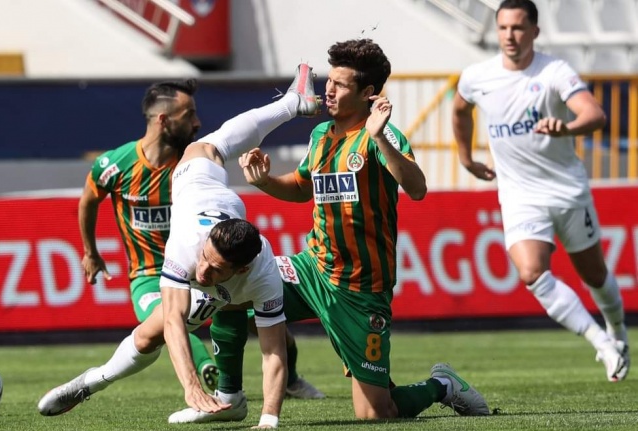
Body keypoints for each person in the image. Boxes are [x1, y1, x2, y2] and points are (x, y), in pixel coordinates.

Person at [173, 39, 489, 422]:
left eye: (340, 85)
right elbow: (301, 187)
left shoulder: (382, 136)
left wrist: (378, 136)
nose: (329, 90)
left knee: (375, 412)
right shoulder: (321, 134)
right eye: (330, 81)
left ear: (368, 93)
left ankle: (443, 385)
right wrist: (264, 180)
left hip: (360, 288)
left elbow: (417, 188)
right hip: (313, 268)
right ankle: (229, 398)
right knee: (228, 294)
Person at [38, 63, 322, 428]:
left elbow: (273, 351)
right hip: (198, 194)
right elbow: (174, 319)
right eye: (205, 261)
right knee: (148, 335)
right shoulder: (188, 246)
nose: (202, 272)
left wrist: (270, 420)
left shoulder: (263, 271)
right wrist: (190, 387)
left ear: (242, 268)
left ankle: (231, 399)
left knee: (247, 316)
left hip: (233, 266)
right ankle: (95, 380)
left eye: (214, 268)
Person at [451, 0, 629, 382]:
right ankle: (601, 343)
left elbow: (594, 114)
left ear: (535, 31)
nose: (509, 36)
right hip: (519, 195)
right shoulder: (478, 76)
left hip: (567, 190)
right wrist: (465, 159)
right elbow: (460, 110)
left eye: (518, 28)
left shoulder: (554, 71)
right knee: (532, 272)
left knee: (595, 275)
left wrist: (567, 128)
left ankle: (618, 331)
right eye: (503, 28)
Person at [78, 79, 218, 391]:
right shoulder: (114, 165)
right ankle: (206, 367)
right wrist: (91, 252)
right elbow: (88, 200)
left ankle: (290, 379)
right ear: (163, 120)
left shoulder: (193, 164)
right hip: (149, 275)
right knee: (165, 315)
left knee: (257, 315)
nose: (197, 122)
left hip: (200, 268)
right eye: (189, 115)